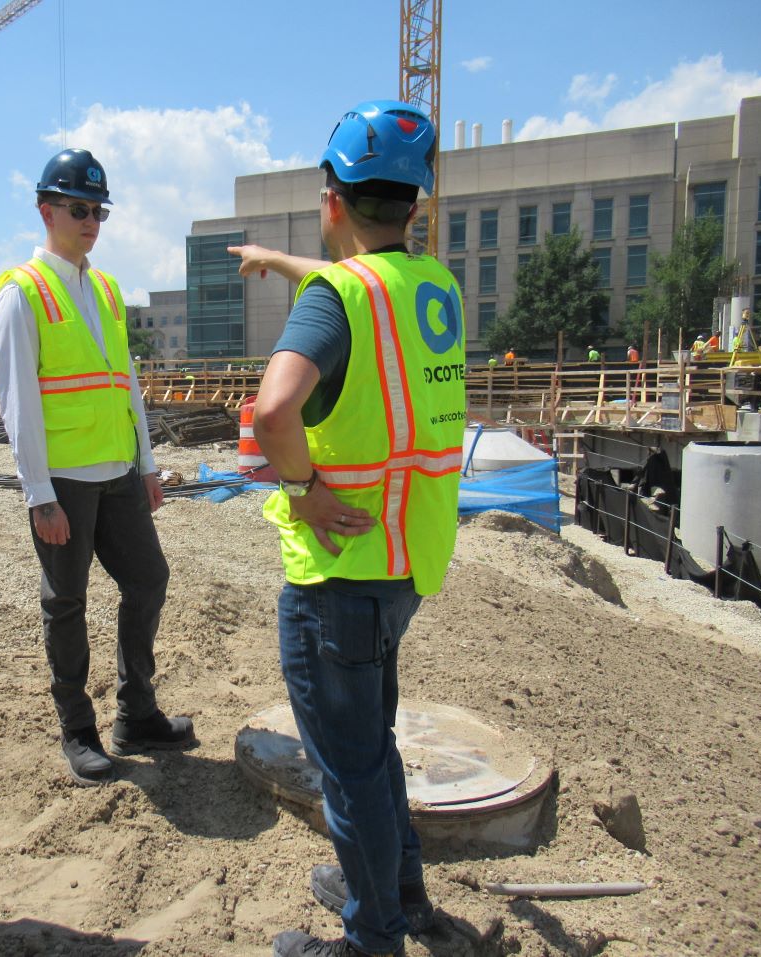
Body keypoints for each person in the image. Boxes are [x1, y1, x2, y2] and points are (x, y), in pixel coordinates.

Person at [251, 100, 462, 957]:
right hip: (407, 564)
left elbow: (271, 412)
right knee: (372, 745)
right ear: (414, 207)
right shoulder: (434, 287)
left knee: (350, 770)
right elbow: (370, 280)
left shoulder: (335, 299)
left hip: (337, 575)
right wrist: (287, 261)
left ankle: (372, 936)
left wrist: (301, 488)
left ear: (330, 197)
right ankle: (400, 894)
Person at [0, 148, 195, 788]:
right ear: (46, 209)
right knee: (66, 602)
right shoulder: (20, 292)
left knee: (148, 579)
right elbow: (16, 400)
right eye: (79, 209)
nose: (91, 222)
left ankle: (136, 712)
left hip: (117, 473)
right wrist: (38, 493)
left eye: (98, 211)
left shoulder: (103, 287)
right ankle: (78, 730)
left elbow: (125, 380)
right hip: (66, 483)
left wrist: (148, 462)